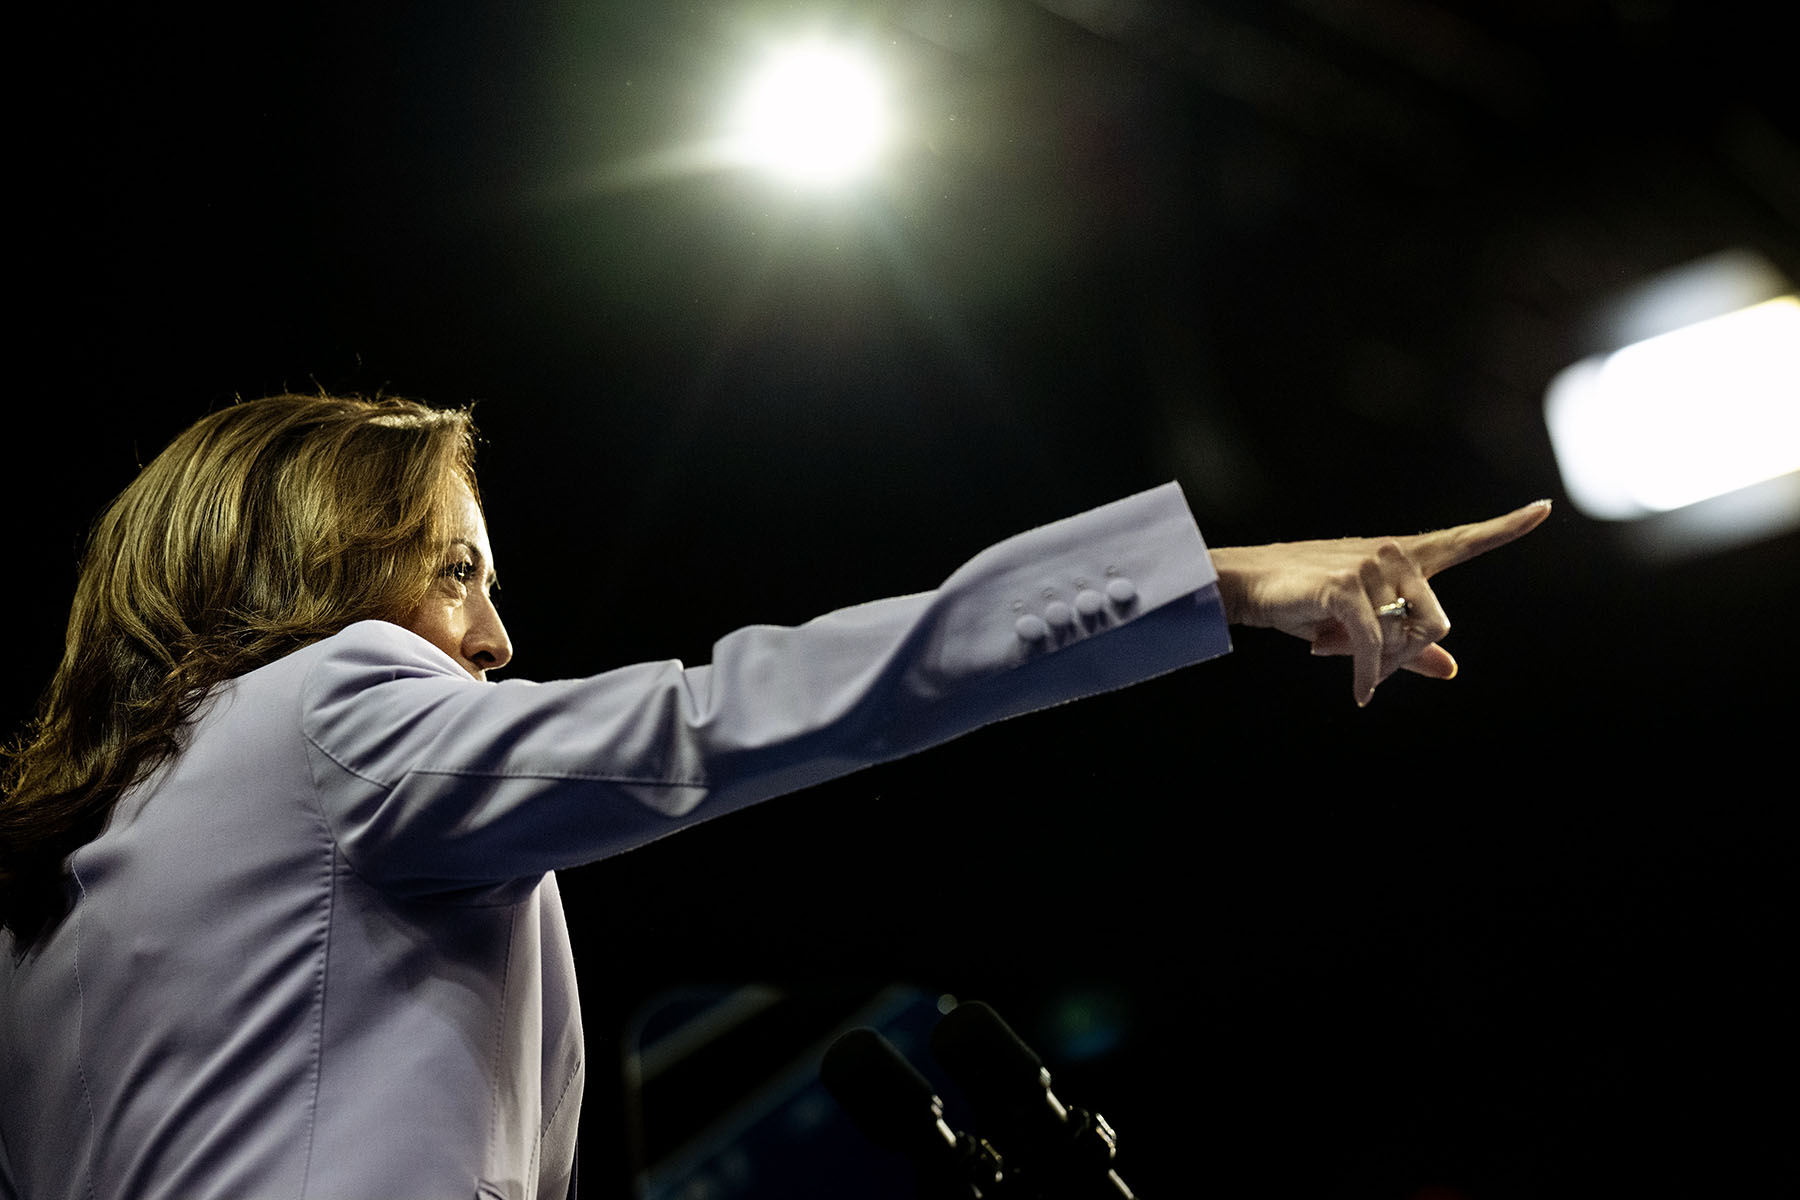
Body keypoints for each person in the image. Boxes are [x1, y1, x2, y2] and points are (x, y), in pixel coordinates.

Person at [0, 392, 1549, 1200]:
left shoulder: (72, 888)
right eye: (454, 569)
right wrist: (1215, 582)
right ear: (318, 564)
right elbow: (741, 714)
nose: (495, 634)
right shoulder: (326, 717)